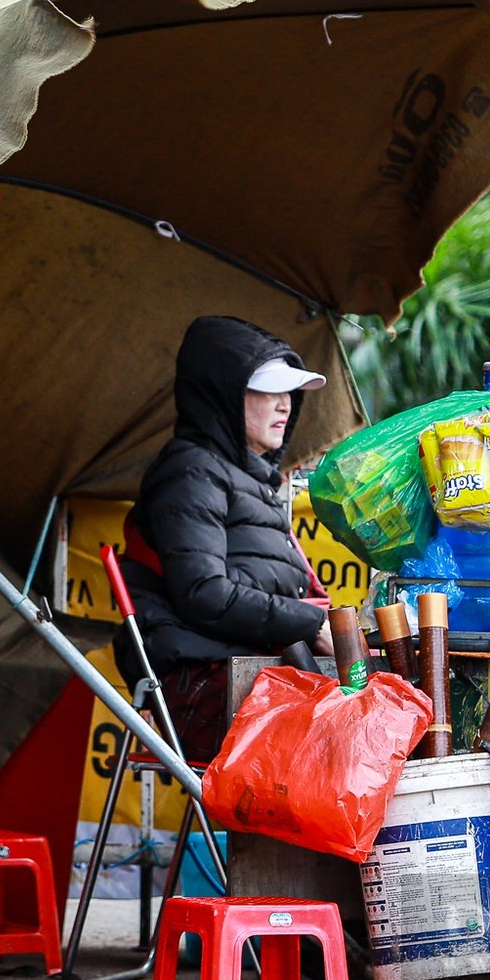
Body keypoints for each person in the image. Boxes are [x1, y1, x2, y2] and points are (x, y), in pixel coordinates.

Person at [116, 316, 333, 762]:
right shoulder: (191, 472)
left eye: (288, 392)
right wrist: (310, 625)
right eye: (268, 390)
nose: (285, 405)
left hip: (253, 678)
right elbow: (204, 593)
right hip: (201, 688)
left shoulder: (249, 479)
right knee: (351, 735)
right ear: (223, 397)